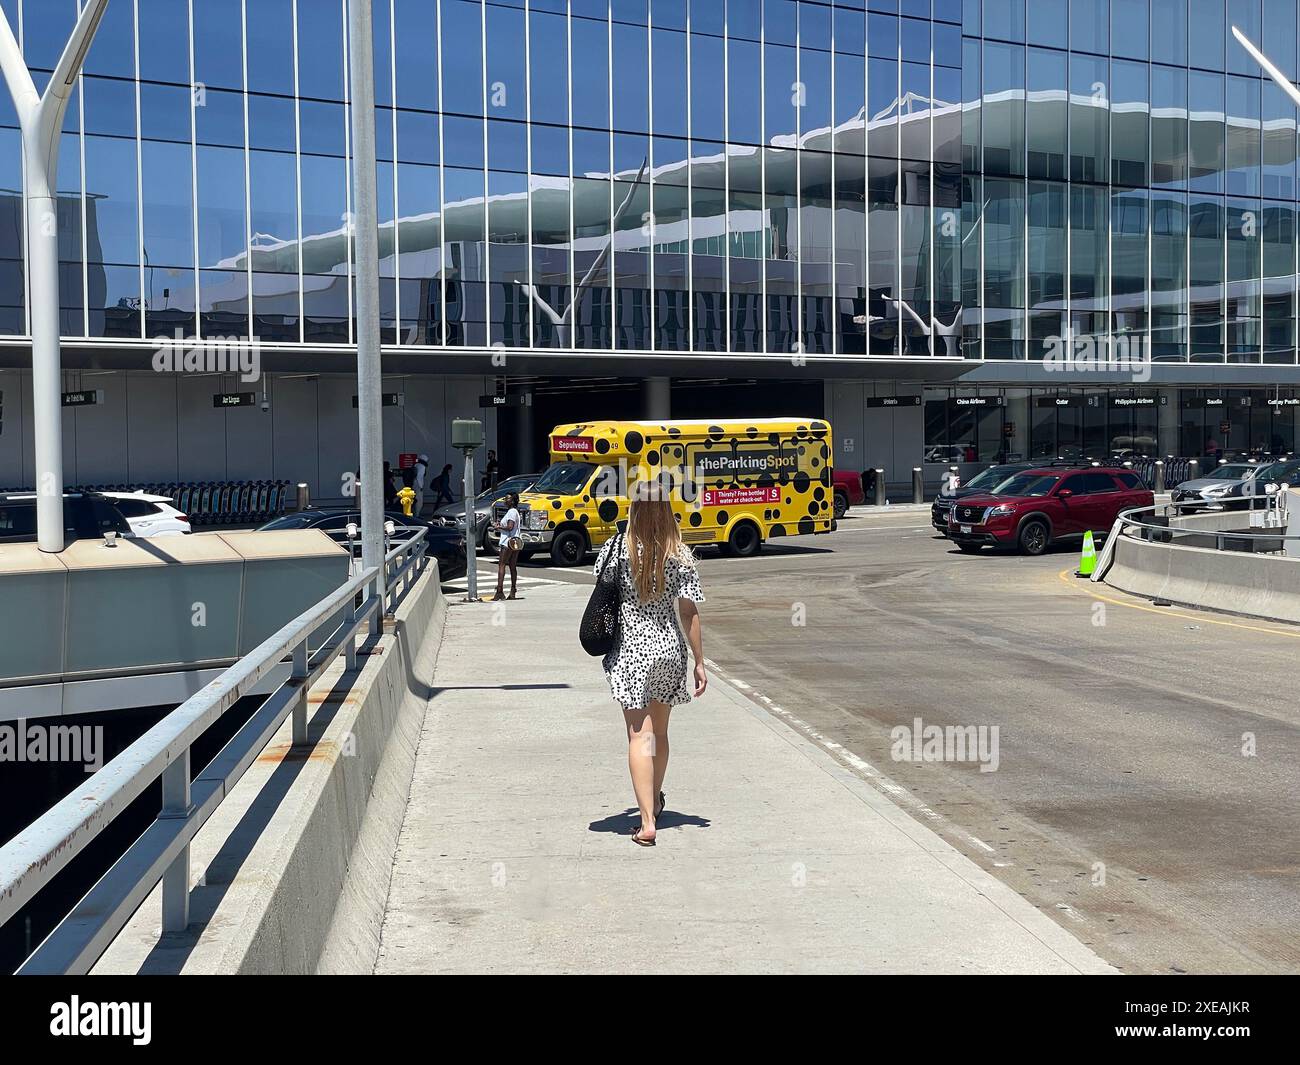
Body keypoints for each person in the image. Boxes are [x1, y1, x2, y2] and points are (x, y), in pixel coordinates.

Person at [592, 482, 706, 847]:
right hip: (670, 650)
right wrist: (700, 662)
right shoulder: (682, 555)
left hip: (631, 652)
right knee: (659, 734)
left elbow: (602, 592)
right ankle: (655, 799)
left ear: (634, 510)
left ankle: (646, 822)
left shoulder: (616, 551)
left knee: (637, 736)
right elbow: (688, 612)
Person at [494, 492, 522, 601]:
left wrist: (499, 527)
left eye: (507, 498)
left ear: (513, 501)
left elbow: (510, 527)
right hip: (516, 542)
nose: (505, 500)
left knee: (501, 565)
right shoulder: (515, 512)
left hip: (507, 542)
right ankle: (513, 590)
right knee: (512, 566)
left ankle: (499, 591)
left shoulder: (511, 512)